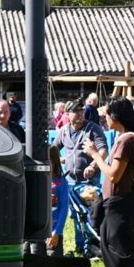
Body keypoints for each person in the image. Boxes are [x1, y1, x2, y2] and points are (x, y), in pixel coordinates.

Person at [84, 96, 134, 267]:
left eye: (107, 114)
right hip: (114, 205)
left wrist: (95, 155)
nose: (105, 118)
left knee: (121, 252)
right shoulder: (123, 138)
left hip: (120, 205)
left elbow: (113, 175)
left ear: (116, 116)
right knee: (111, 250)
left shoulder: (127, 140)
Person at [54, 98, 108, 257]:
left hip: (88, 182)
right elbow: (53, 149)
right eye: (76, 111)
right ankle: (80, 246)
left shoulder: (93, 129)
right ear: (67, 114)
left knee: (90, 215)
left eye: (81, 110)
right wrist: (59, 159)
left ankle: (93, 247)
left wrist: (93, 166)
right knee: (76, 215)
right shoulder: (64, 131)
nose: (80, 113)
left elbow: (103, 151)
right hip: (70, 181)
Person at [47, 145, 70, 256]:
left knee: (54, 263)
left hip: (54, 233)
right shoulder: (34, 182)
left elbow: (64, 208)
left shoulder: (61, 182)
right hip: (36, 236)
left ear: (55, 162)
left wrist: (57, 232)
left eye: (48, 162)